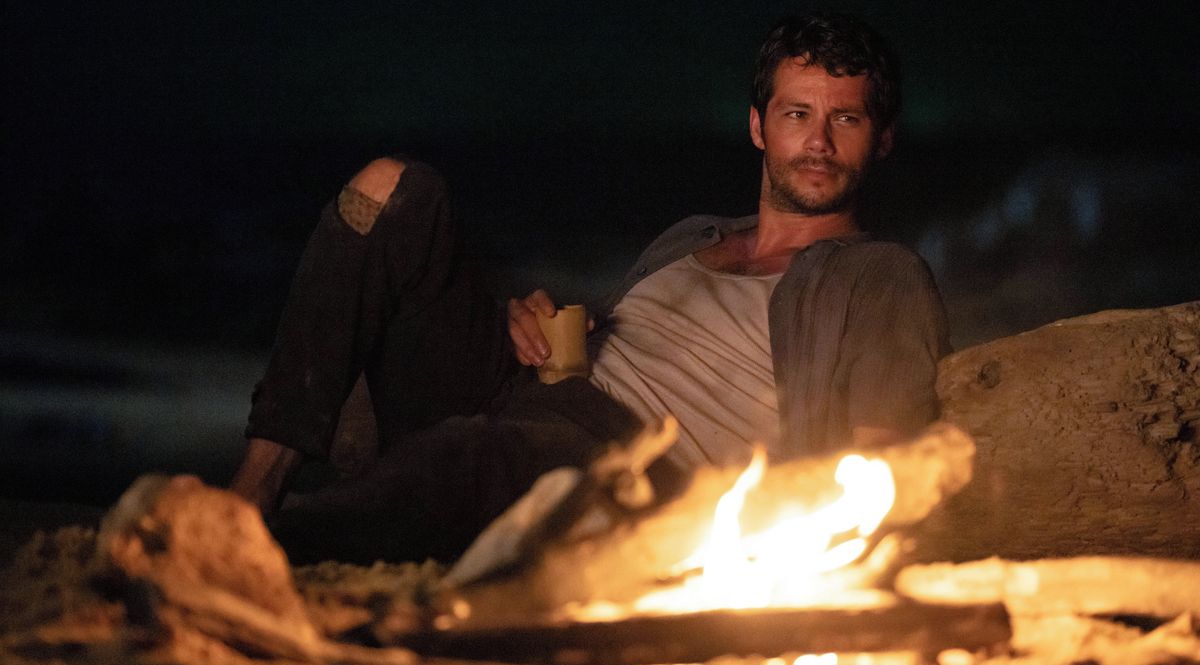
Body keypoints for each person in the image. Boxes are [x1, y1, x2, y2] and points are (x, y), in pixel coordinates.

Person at [230, 12, 949, 563]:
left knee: (477, 456)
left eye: (845, 118)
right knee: (390, 190)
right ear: (759, 127)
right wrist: (524, 321)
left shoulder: (882, 276)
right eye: (798, 114)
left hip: (633, 471)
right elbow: (615, 347)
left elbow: (879, 471)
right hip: (535, 391)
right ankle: (251, 491)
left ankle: (259, 540)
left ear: (881, 138)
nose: (818, 142)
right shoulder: (689, 236)